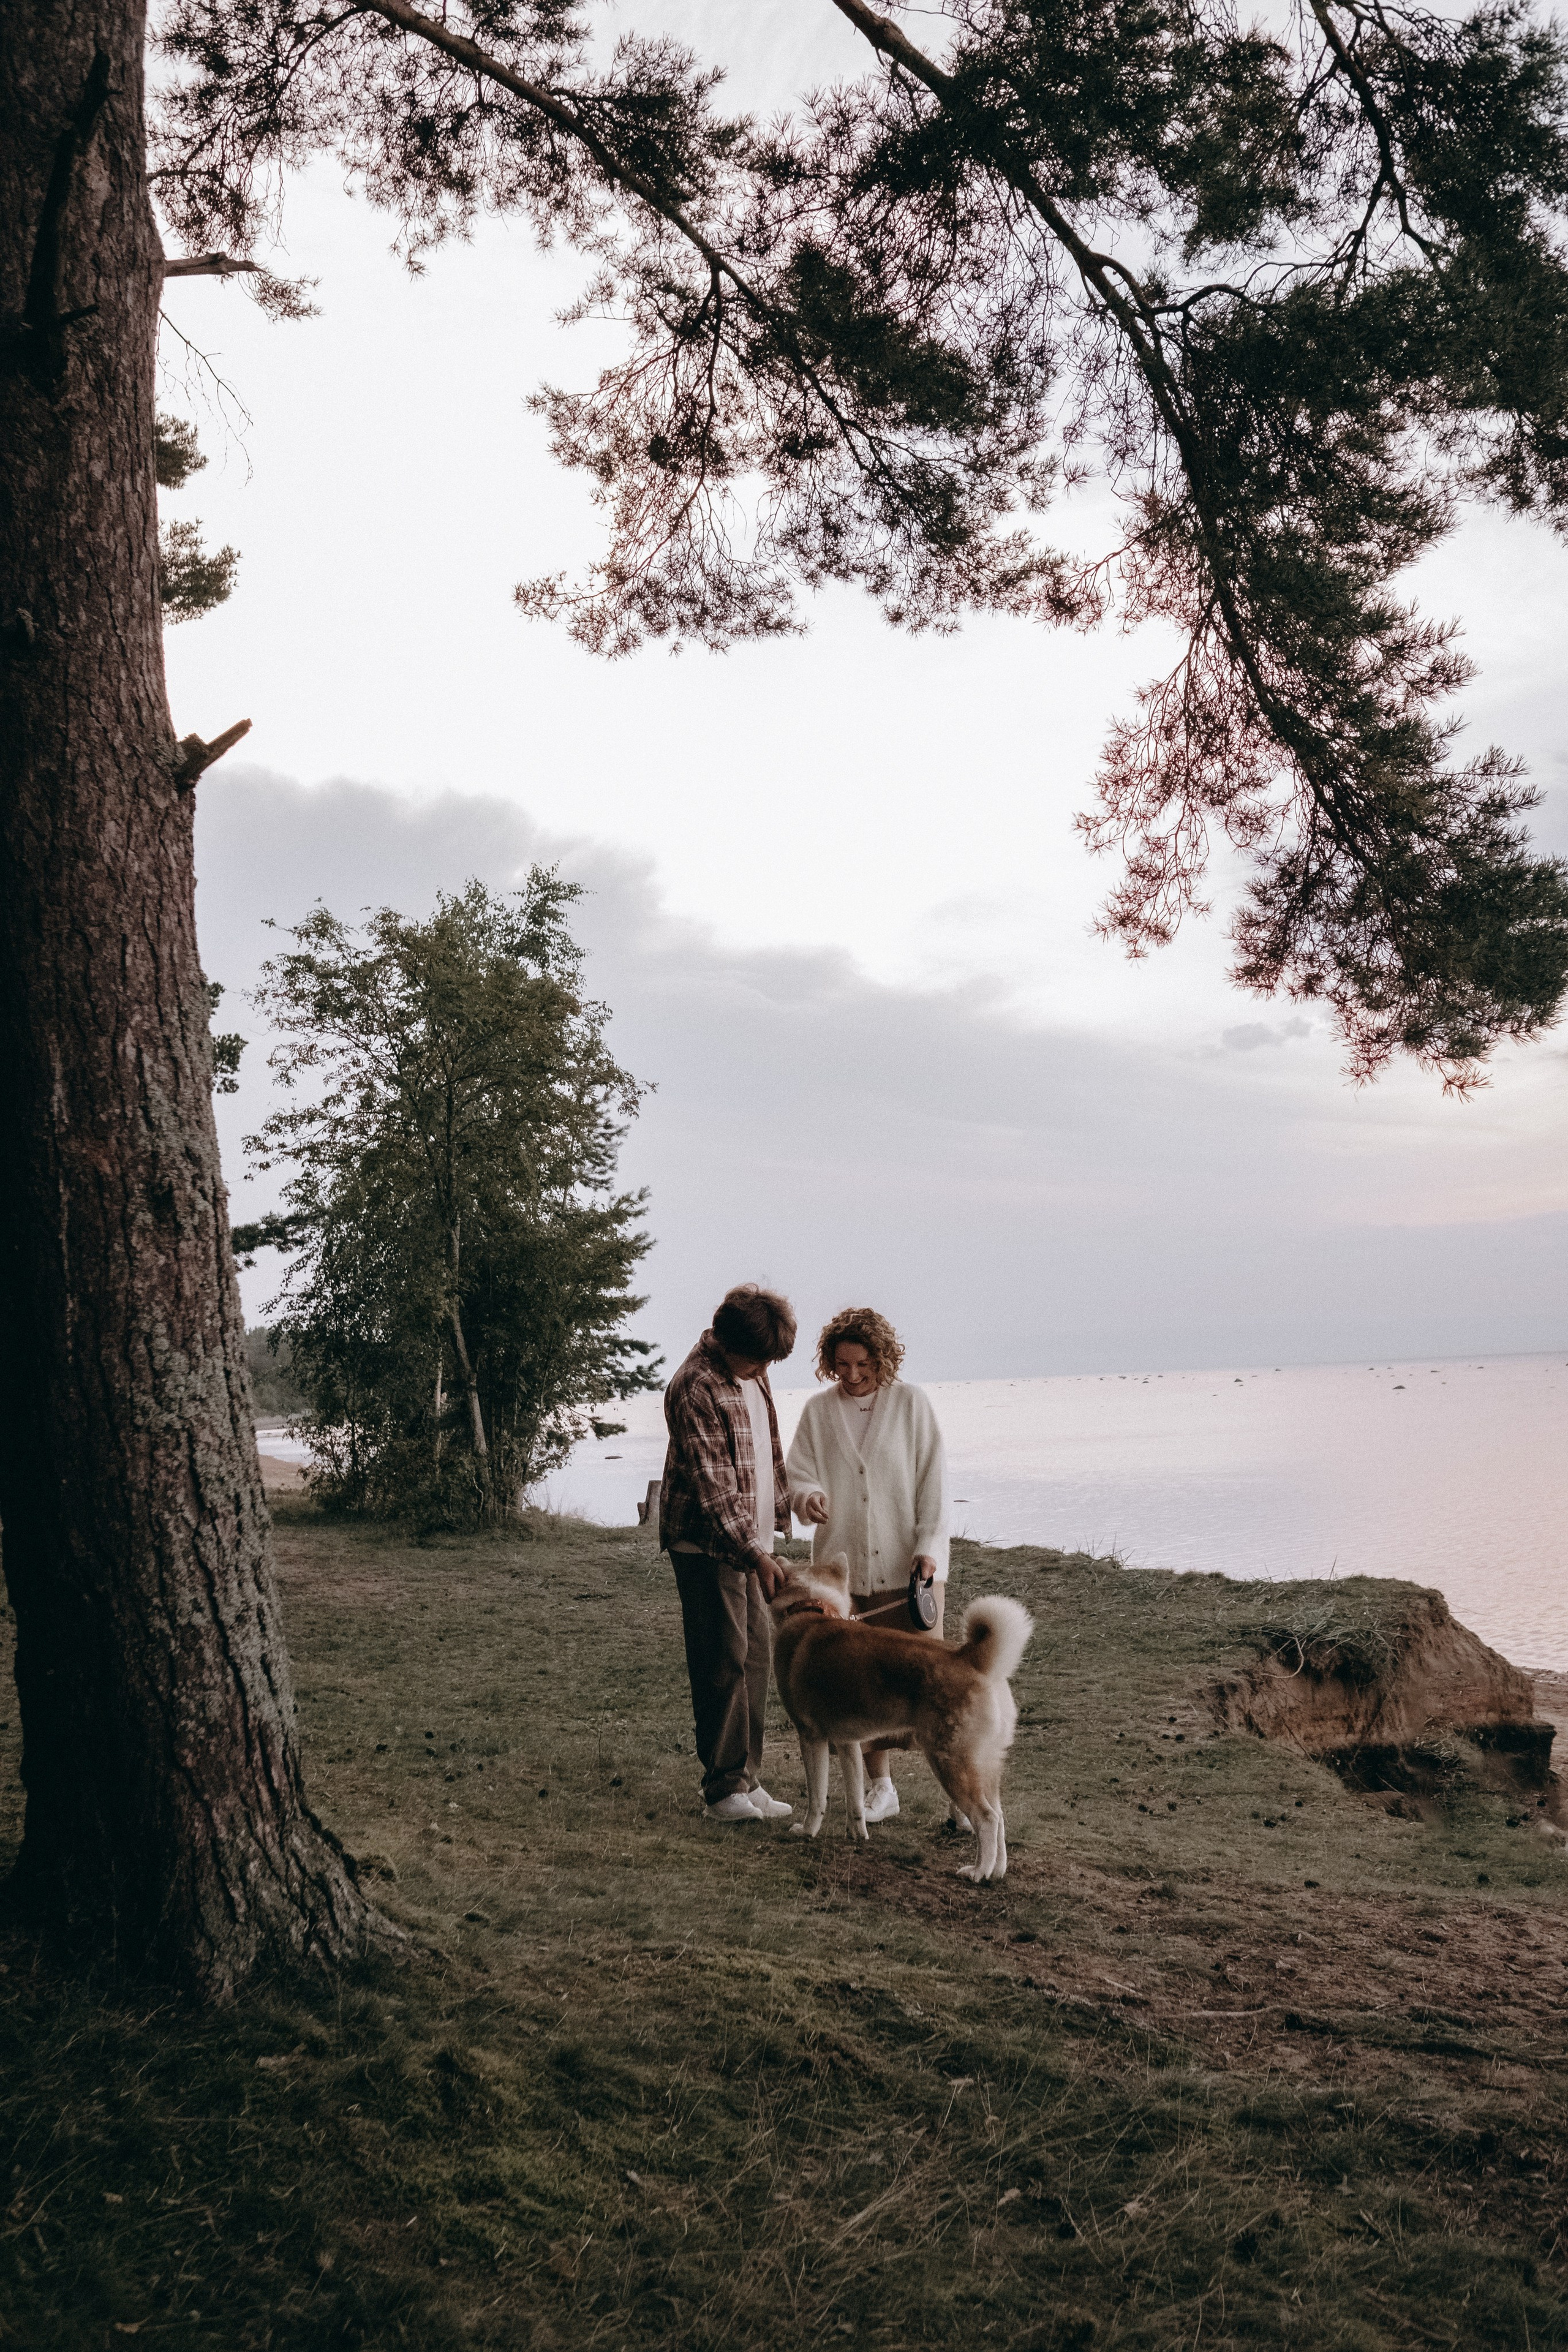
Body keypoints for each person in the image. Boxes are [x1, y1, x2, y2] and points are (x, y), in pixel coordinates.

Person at [786, 1306, 948, 1823]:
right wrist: (806, 1497)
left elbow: (934, 1484)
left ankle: (958, 1797)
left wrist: (929, 1546)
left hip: (911, 1571)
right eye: (841, 1364)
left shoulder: (911, 1404)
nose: (852, 1375)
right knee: (858, 1686)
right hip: (843, 1572)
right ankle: (882, 1788)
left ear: (883, 1358)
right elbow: (797, 1474)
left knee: (934, 1683)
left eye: (863, 1364)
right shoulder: (817, 1412)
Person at [660, 1284, 797, 1824]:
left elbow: (767, 1454)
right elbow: (715, 1492)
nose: (765, 1368)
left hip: (751, 1544)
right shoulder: (695, 1387)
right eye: (759, 1358)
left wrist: (778, 1522)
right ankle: (722, 1789)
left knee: (756, 1657)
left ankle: (748, 1777)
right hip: (708, 1545)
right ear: (726, 1341)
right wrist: (755, 1553)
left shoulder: (750, 1372)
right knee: (723, 1661)